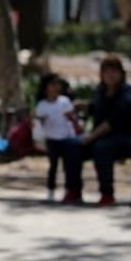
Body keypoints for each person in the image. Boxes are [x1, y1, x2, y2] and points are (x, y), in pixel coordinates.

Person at [82, 55, 131, 206]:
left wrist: (91, 137)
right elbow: (96, 109)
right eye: (106, 71)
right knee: (71, 145)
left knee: (102, 147)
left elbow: (112, 121)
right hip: (105, 137)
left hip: (129, 137)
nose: (110, 75)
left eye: (114, 71)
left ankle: (107, 193)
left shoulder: (128, 93)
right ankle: (73, 189)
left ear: (121, 73)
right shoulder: (102, 92)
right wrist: (80, 106)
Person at [35, 73, 83, 203]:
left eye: (57, 84)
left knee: (68, 166)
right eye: (53, 84)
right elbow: (39, 124)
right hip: (51, 139)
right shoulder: (42, 105)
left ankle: (69, 190)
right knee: (53, 166)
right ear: (46, 87)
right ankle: (51, 190)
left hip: (66, 138)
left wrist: (71, 117)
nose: (56, 87)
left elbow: (74, 119)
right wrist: (41, 121)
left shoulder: (64, 101)